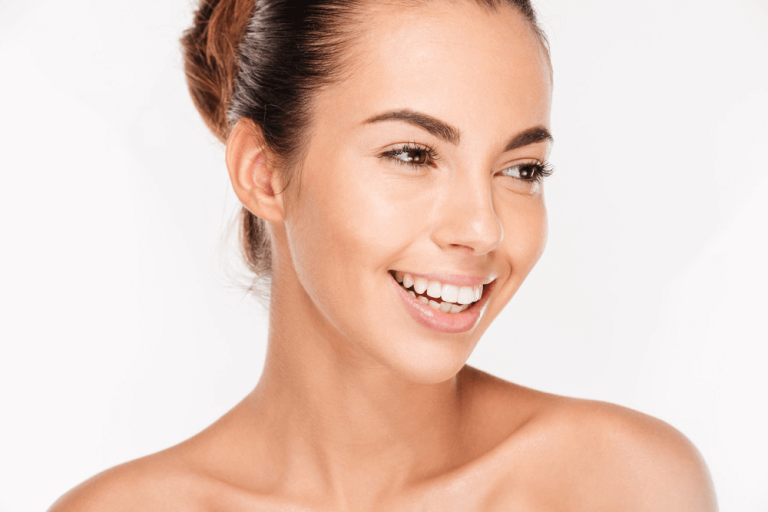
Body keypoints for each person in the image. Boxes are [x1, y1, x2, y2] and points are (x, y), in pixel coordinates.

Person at [50, 0, 717, 509]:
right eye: (412, 154)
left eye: (522, 169)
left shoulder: (627, 484)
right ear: (264, 175)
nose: (483, 228)